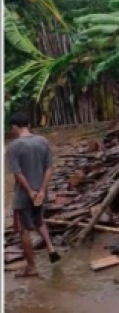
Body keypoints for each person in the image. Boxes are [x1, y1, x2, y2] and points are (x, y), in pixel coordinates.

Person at [6, 112, 60, 277]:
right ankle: (51, 247)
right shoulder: (42, 141)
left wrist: (30, 191)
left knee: (24, 230)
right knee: (39, 220)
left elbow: (17, 173)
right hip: (41, 193)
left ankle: (31, 267)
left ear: (14, 127)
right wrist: (42, 190)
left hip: (24, 196)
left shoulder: (14, 147)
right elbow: (49, 168)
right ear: (29, 125)